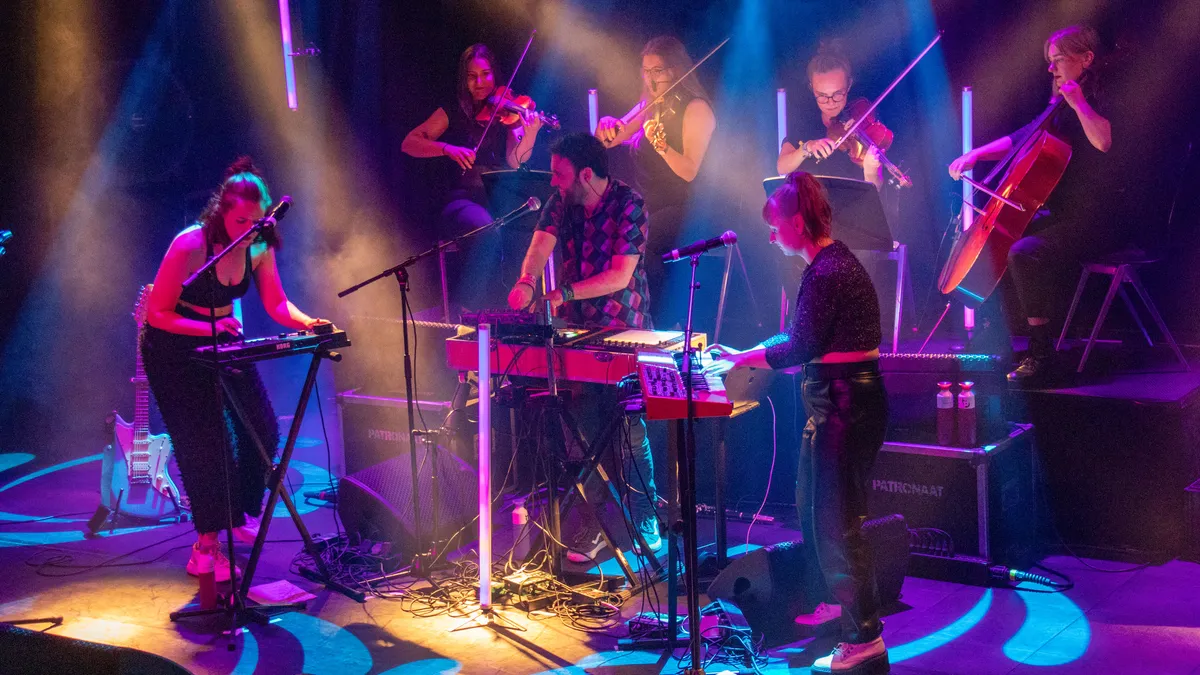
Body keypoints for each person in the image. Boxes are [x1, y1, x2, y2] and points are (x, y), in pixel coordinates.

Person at [708, 172, 889, 674]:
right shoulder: (829, 264)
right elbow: (802, 336)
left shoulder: (828, 271)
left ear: (797, 223)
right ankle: (838, 604)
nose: (771, 236)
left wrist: (744, 358)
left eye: (775, 226)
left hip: (846, 403)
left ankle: (865, 638)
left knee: (837, 525)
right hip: (834, 402)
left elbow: (800, 347)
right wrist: (746, 353)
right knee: (814, 514)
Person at [142, 157, 326, 582]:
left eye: (256, 221)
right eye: (240, 221)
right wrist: (208, 326)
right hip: (173, 347)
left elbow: (277, 303)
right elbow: (158, 313)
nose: (249, 229)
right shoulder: (190, 244)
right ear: (220, 212)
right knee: (206, 445)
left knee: (263, 428)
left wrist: (307, 322)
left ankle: (238, 512)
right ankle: (206, 547)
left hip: (221, 337)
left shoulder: (259, 247)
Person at [506, 133, 660, 562]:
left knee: (629, 433)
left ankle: (645, 520)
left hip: (626, 331)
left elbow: (620, 276)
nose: (553, 181)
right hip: (577, 334)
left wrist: (562, 293)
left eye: (560, 173)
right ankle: (596, 523)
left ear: (586, 174)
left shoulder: (630, 204)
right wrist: (526, 282)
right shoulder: (561, 201)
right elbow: (539, 246)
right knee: (581, 435)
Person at [949, 25, 1114, 383]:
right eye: (1050, 61)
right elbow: (1023, 136)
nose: (1051, 69)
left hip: (1097, 218)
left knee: (1024, 252)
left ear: (1086, 58)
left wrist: (1079, 102)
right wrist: (976, 154)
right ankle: (995, 337)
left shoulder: (1102, 96)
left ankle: (1042, 353)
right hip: (1061, 214)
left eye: (1059, 60)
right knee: (997, 241)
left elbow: (1103, 141)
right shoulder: (1059, 104)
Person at [402, 43, 544, 312]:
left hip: (497, 199)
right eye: (472, 76)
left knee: (531, 230)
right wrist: (447, 148)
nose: (480, 83)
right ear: (464, 80)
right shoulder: (454, 111)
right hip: (461, 200)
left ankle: (518, 310)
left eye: (486, 74)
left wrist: (531, 133)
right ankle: (474, 310)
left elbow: (516, 162)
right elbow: (410, 143)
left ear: (495, 74)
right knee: (485, 229)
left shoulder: (507, 114)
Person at [595, 35, 716, 326]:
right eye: (646, 71)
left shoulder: (696, 108)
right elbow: (610, 139)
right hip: (649, 207)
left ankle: (658, 323)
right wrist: (606, 125)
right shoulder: (650, 105)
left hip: (685, 208)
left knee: (640, 245)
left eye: (657, 71)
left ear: (675, 70)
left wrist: (660, 145)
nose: (650, 78)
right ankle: (620, 320)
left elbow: (689, 171)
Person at [777, 42, 884, 188]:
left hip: (851, 200)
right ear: (812, 88)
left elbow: (876, 188)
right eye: (822, 95)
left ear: (849, 85)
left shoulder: (862, 117)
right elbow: (782, 167)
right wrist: (807, 147)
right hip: (810, 200)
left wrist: (871, 171)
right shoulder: (805, 121)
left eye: (838, 94)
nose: (830, 102)